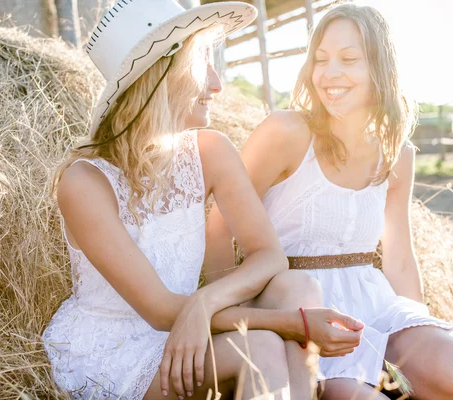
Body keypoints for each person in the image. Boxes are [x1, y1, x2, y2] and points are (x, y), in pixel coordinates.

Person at [42, 1, 364, 399]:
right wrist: (293, 324)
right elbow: (160, 311)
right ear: (161, 75)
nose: (217, 84)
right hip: (119, 346)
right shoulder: (85, 182)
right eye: (202, 65)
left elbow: (269, 255)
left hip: (194, 319)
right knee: (261, 347)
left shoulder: (210, 150)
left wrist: (205, 301)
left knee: (297, 286)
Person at [205, 4, 453, 399]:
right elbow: (219, 226)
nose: (329, 74)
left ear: (381, 68)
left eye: (349, 59)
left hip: (373, 302)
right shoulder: (286, 131)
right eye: (320, 59)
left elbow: (398, 256)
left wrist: (416, 326)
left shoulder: (398, 153)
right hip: (298, 305)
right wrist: (234, 317)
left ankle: (384, 374)